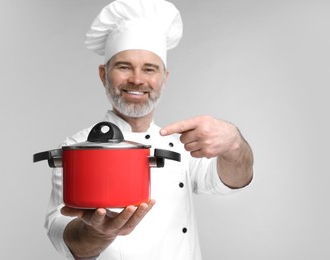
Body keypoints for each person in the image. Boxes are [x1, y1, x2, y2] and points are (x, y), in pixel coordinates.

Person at [44, 0, 254, 259]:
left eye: (149, 69)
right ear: (103, 74)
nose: (137, 79)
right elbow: (65, 236)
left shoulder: (181, 144)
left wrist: (234, 143)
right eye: (124, 66)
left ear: (164, 79)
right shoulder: (77, 148)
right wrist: (100, 233)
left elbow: (235, 181)